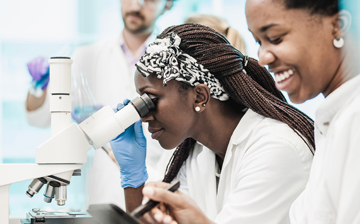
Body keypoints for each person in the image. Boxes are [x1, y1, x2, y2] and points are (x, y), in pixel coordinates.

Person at [110, 23, 315, 223]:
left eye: (150, 100)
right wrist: (133, 179)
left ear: (199, 97)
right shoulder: (197, 154)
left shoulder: (275, 149)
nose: (144, 116)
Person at [24, 0, 175, 209]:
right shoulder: (87, 56)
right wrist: (37, 86)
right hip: (101, 194)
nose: (137, 5)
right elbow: (39, 118)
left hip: (156, 187)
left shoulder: (175, 62)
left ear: (168, 4)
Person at [245, 0, 360, 223]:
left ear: (337, 26)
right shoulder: (335, 118)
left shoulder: (354, 119)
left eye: (275, 38)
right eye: (258, 41)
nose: (263, 58)